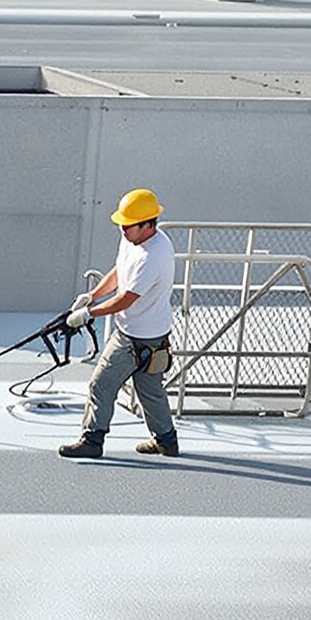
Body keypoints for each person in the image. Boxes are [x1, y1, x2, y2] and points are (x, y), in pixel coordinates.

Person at [58, 189, 181, 459]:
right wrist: (92, 295)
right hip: (152, 333)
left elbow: (126, 299)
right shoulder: (133, 240)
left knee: (101, 385)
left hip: (135, 336)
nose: (123, 230)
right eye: (122, 225)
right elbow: (119, 271)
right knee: (150, 390)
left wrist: (89, 314)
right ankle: (166, 441)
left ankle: (92, 440)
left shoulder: (154, 256)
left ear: (148, 225)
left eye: (128, 226)